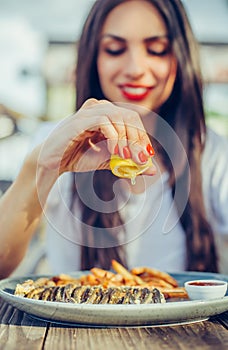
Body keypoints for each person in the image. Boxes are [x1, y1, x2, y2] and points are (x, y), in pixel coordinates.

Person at [0, 0, 228, 279]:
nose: (135, 68)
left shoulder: (212, 153)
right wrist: (44, 167)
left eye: (156, 50)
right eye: (115, 49)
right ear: (93, 58)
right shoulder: (53, 141)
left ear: (180, 59)